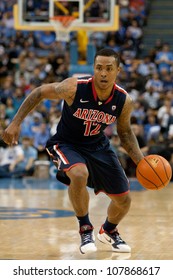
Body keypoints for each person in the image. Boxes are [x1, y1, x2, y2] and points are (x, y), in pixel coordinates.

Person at [1, 48, 144, 254]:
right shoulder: (73, 87)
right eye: (99, 68)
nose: (103, 73)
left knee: (124, 200)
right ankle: (85, 228)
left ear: (118, 70)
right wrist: (15, 122)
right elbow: (39, 92)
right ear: (93, 68)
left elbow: (126, 133)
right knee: (79, 174)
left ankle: (109, 231)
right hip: (66, 143)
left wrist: (141, 161)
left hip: (98, 146)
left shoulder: (123, 100)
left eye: (109, 69)